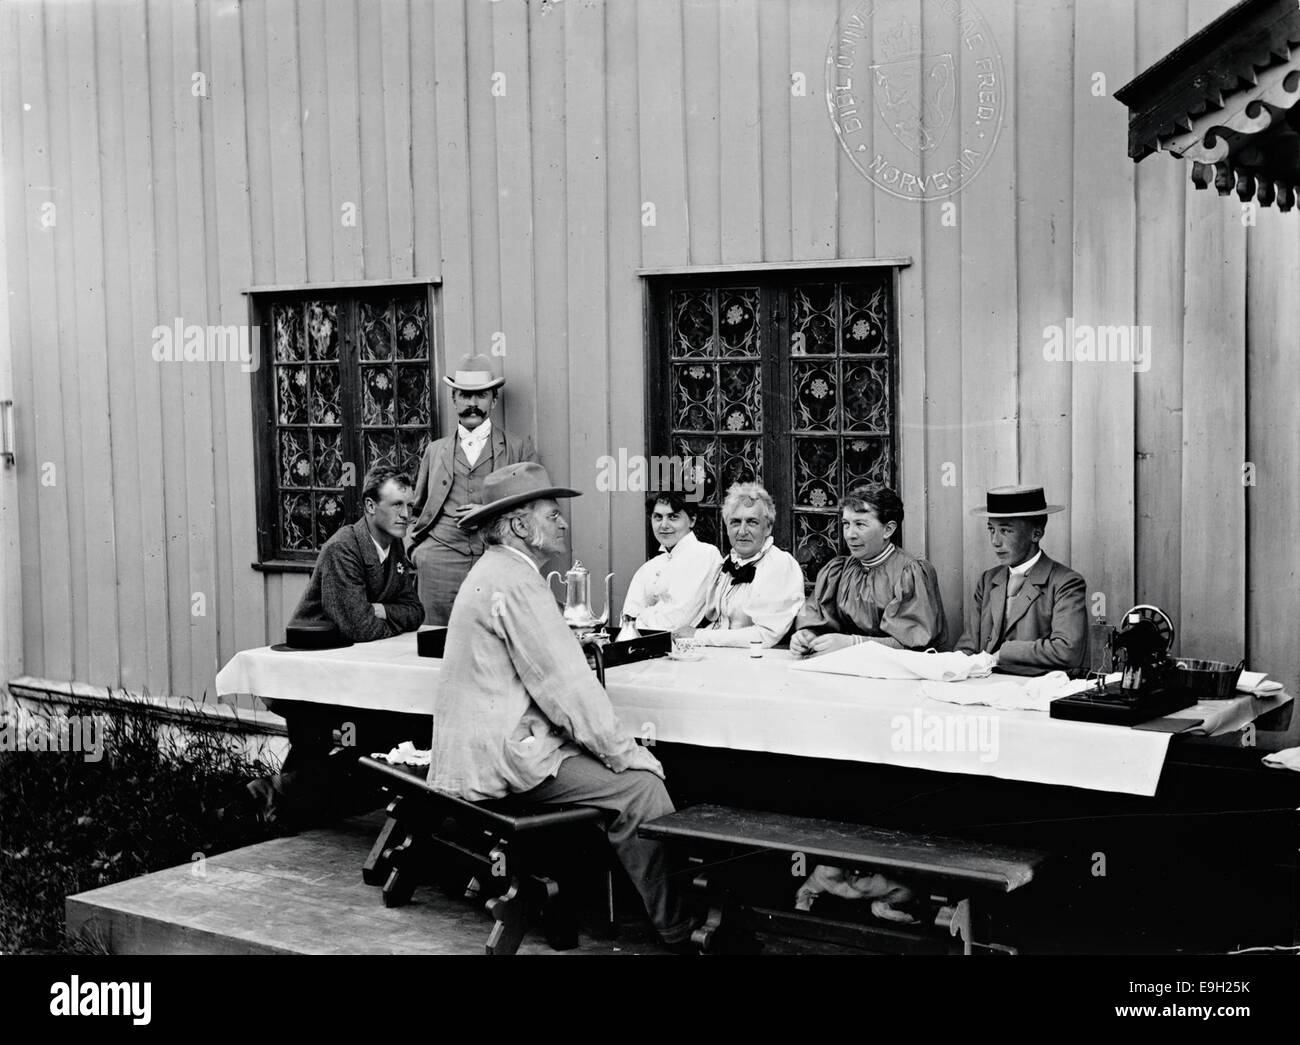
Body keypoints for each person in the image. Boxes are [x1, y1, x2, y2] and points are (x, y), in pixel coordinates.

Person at [430, 462, 694, 949]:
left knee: (614, 766)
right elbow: (566, 688)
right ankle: (683, 930)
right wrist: (627, 753)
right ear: (519, 525)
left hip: (475, 755)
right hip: (501, 763)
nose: (563, 522)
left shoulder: (493, 572)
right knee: (642, 790)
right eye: (552, 514)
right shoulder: (518, 581)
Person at [228, 465, 427, 828]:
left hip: (348, 672)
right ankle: (274, 798)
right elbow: (361, 627)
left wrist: (384, 609)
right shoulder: (344, 549)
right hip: (309, 674)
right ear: (369, 505)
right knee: (357, 742)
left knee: (373, 740)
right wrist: (382, 615)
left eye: (410, 506)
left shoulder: (393, 546)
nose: (405, 514)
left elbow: (415, 609)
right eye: (396, 504)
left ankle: (276, 799)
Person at [408, 354, 538, 625]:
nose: (472, 404)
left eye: (480, 396)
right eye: (465, 396)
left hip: (496, 557)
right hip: (439, 562)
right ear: (454, 399)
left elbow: (535, 508)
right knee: (435, 641)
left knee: (495, 635)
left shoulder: (518, 448)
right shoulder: (435, 451)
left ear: (494, 400)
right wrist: (417, 552)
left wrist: (490, 512)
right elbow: (415, 509)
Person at [790, 483, 946, 655]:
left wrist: (853, 643)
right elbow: (817, 619)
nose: (850, 534)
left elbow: (914, 647)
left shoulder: (910, 573)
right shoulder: (838, 571)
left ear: (888, 529)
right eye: (846, 524)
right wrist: (806, 636)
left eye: (860, 524)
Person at [954, 484, 1088, 676]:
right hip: (985, 688)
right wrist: (952, 666)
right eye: (991, 530)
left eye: (1006, 531)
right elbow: (968, 646)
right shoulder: (988, 580)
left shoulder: (1066, 582)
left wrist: (1002, 655)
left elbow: (1067, 650)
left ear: (1036, 533)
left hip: (1038, 691)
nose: (995, 542)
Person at [692, 482, 804, 648]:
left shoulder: (779, 565)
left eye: (752, 522)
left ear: (768, 527)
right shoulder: (727, 563)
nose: (742, 531)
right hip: (719, 655)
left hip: (761, 660)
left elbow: (765, 636)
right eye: (735, 522)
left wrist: (699, 636)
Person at [616, 493, 722, 639]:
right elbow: (627, 625)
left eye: (673, 517)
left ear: (692, 520)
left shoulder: (705, 555)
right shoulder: (649, 567)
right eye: (658, 517)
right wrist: (655, 614)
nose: (664, 525)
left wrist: (644, 614)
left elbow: (676, 621)